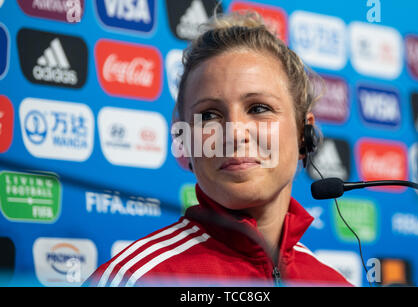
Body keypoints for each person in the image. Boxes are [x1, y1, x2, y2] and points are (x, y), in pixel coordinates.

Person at [84, 11, 352, 287]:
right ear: (185, 139)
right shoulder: (135, 280)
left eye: (259, 108)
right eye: (210, 115)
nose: (234, 133)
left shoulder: (333, 283)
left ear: (304, 135)